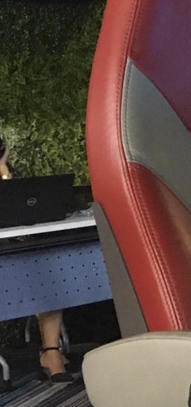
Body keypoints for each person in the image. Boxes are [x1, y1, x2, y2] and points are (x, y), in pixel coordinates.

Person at [0, 138, 72, 383]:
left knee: (45, 268)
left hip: (11, 253)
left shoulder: (8, 173)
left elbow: (23, 205)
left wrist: (3, 168)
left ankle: (51, 353)